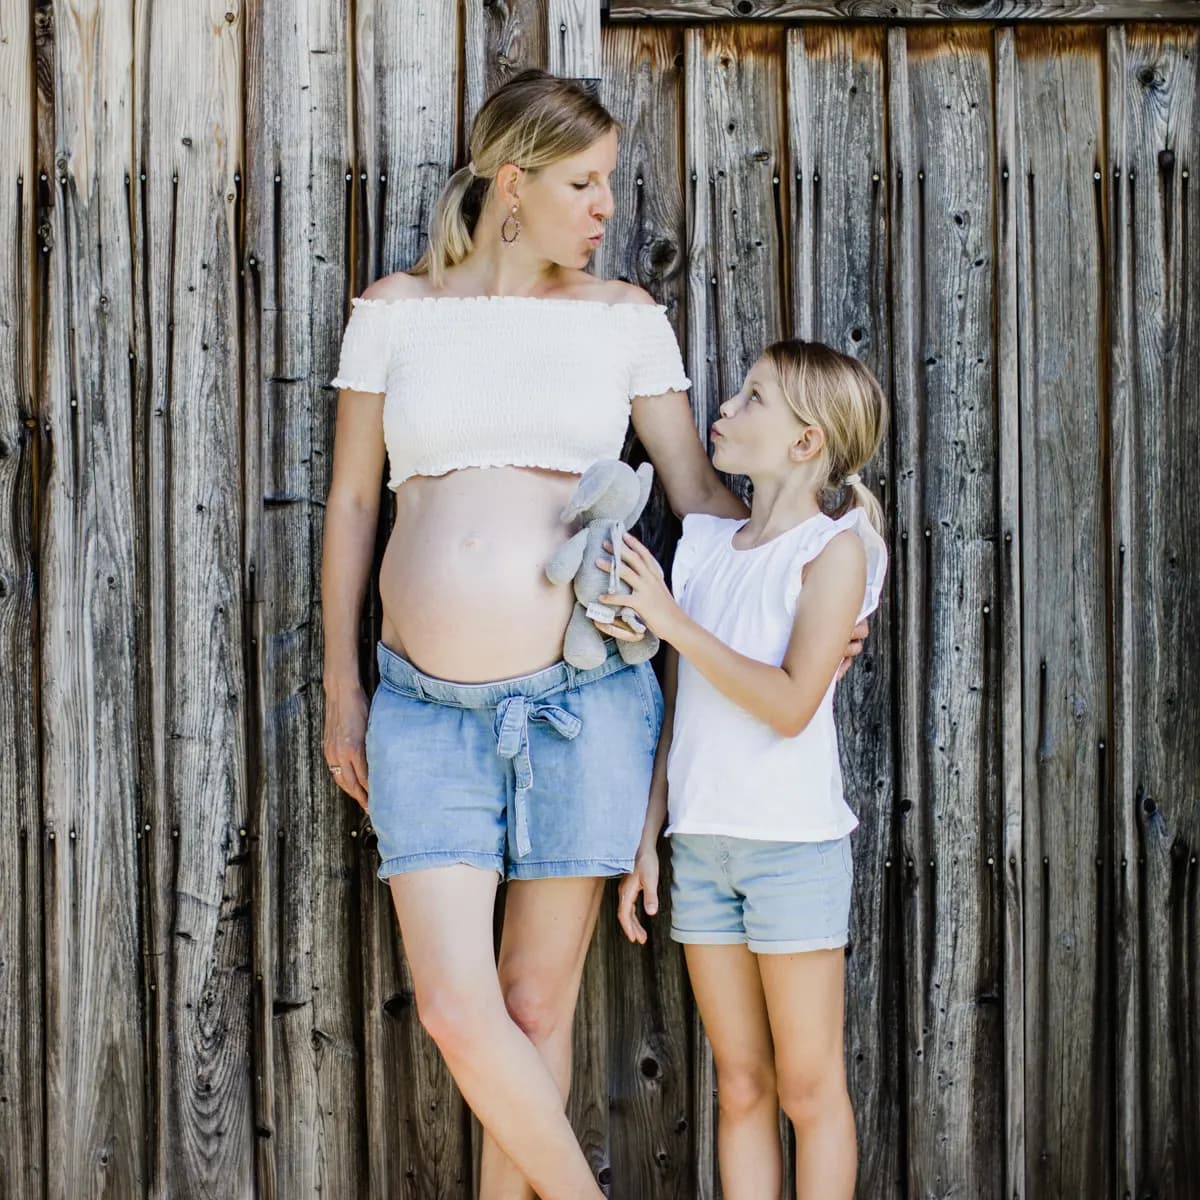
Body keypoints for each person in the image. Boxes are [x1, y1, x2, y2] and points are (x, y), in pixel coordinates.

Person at [321, 69, 869, 1198]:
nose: (607, 205)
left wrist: (825, 577)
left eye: (608, 182)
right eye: (586, 182)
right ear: (511, 185)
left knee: (532, 1010)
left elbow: (709, 505)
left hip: (587, 706)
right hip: (422, 708)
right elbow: (354, 504)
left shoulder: (626, 320)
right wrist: (341, 685)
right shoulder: (396, 312)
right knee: (458, 1012)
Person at [611, 340, 888, 1200]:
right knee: (740, 1085)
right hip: (702, 848)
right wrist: (651, 833)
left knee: (807, 1090)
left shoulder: (837, 551)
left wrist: (671, 620)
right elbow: (678, 709)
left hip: (790, 851)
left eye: (754, 398)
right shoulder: (702, 548)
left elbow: (791, 703)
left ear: (807, 443)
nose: (725, 410)